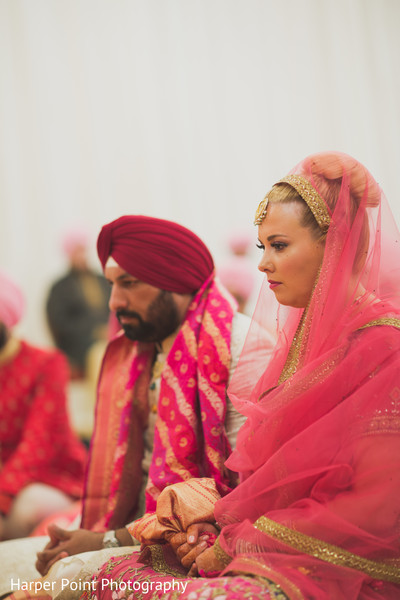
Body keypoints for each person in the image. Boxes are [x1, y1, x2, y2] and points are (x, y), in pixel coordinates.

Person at [83, 152, 400, 600]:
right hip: (272, 545)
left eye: (280, 245)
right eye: (262, 247)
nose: (263, 264)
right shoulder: (303, 345)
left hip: (344, 564)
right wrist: (216, 526)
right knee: (108, 579)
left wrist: (241, 543)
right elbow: (264, 483)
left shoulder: (385, 348)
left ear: (336, 245)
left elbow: (373, 506)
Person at [0, 216, 259, 596]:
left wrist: (105, 541)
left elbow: (242, 494)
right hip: (128, 527)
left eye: (129, 284)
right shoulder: (137, 352)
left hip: (189, 540)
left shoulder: (240, 348)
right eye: (111, 285)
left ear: (175, 281)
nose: (114, 302)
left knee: (62, 576)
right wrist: (97, 533)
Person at [0, 270, 87, 542]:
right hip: (5, 480)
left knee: (27, 507)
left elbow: (37, 447)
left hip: (51, 478)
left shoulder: (46, 365)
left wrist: (1, 497)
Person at [46, 227, 111, 380]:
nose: (81, 256)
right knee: (100, 354)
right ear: (69, 254)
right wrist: (95, 331)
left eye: (83, 251)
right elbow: (60, 323)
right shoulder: (60, 287)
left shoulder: (102, 280)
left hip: (110, 336)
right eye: (77, 251)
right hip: (79, 345)